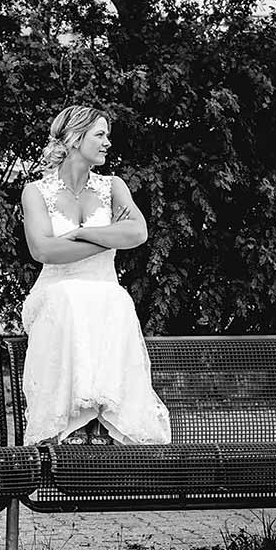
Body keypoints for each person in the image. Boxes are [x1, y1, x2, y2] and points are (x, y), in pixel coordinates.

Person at [19, 105, 171, 446]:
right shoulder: (36, 192)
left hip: (105, 298)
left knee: (114, 298)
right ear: (75, 139)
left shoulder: (113, 186)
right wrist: (105, 236)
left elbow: (137, 233)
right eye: (100, 135)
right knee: (71, 299)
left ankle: (100, 421)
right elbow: (43, 251)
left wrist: (75, 236)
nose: (107, 143)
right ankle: (77, 422)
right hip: (55, 296)